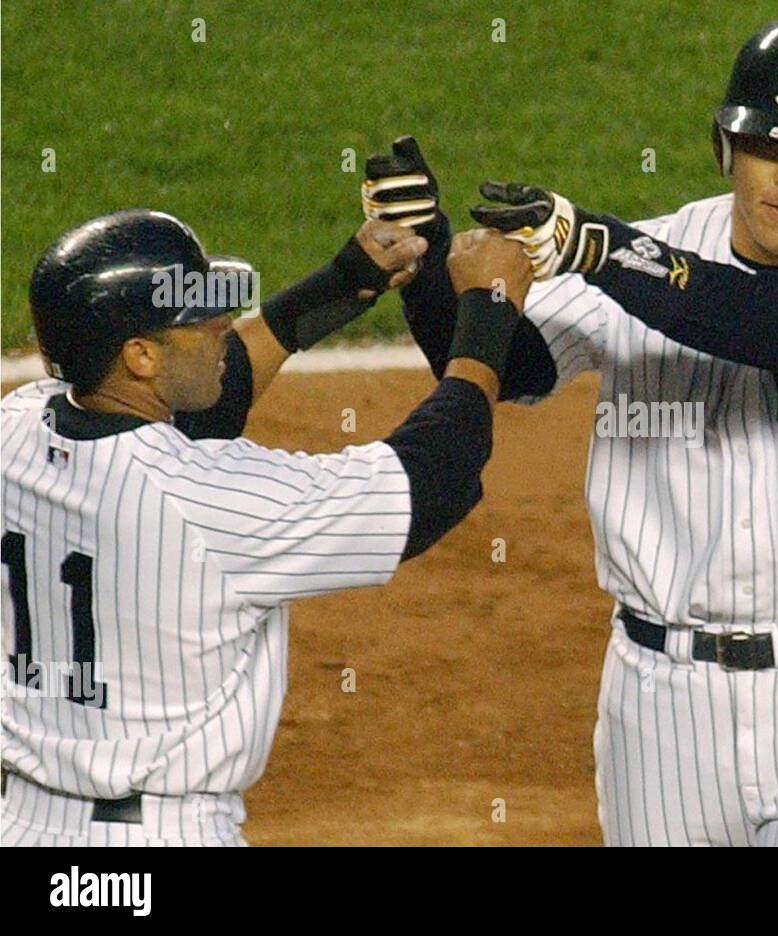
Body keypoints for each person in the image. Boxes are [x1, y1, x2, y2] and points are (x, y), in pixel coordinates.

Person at [364, 15, 778, 846]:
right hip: (660, 715)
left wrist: (605, 250)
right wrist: (428, 269)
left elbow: (777, 328)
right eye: (766, 148)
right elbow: (517, 367)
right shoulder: (653, 250)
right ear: (725, 146)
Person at [0, 207, 534, 846]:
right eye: (200, 320)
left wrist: (343, 283)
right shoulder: (211, 500)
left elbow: (200, 407)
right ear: (140, 355)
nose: (224, 326)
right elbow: (434, 478)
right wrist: (486, 307)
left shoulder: (19, 430)